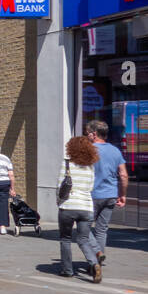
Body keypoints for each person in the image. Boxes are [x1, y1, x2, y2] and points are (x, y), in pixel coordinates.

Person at [59, 135, 102, 282]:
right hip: (86, 207)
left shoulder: (67, 165)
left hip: (68, 206)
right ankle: (94, 264)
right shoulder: (91, 167)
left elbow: (60, 186)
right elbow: (90, 187)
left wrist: (59, 202)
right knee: (83, 239)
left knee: (65, 239)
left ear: (71, 148)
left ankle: (67, 270)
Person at [87, 119, 127, 264]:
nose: (87, 137)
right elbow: (123, 174)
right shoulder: (115, 151)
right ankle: (99, 258)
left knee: (84, 228)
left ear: (94, 134)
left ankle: (96, 253)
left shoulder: (89, 150)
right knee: (101, 230)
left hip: (92, 195)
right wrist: (122, 195)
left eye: (88, 134)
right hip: (110, 195)